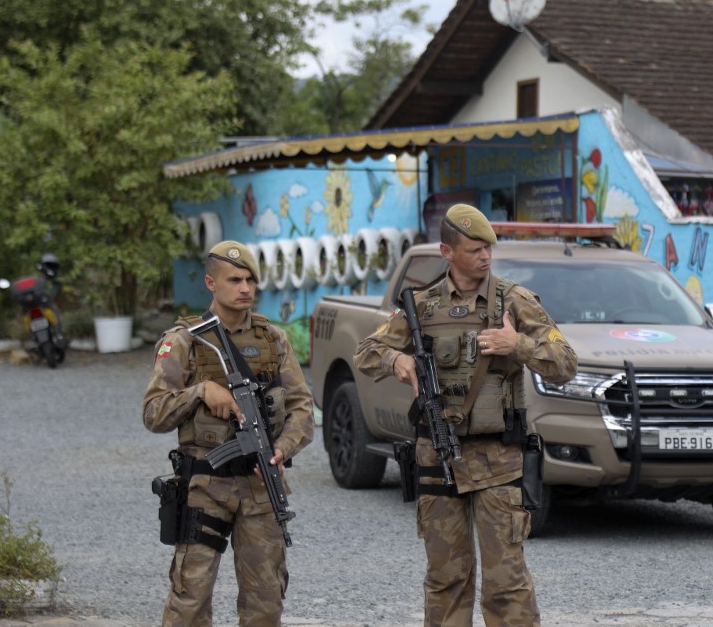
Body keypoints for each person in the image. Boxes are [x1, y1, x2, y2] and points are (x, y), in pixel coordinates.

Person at [354, 204, 577, 626]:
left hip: (498, 460)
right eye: (474, 250)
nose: (486, 257)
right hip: (437, 458)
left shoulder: (514, 300)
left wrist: (519, 346)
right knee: (445, 579)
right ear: (447, 251)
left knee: (506, 585)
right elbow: (366, 351)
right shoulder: (420, 306)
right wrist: (397, 363)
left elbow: (566, 363)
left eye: (488, 249)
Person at [143, 240, 314, 627]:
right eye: (234, 279)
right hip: (205, 485)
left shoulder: (273, 339)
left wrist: (282, 449)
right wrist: (200, 392)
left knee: (265, 601)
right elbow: (154, 413)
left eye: (251, 279)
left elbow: (303, 408)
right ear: (210, 283)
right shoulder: (185, 340)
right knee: (190, 600)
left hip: (260, 486)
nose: (245, 288)